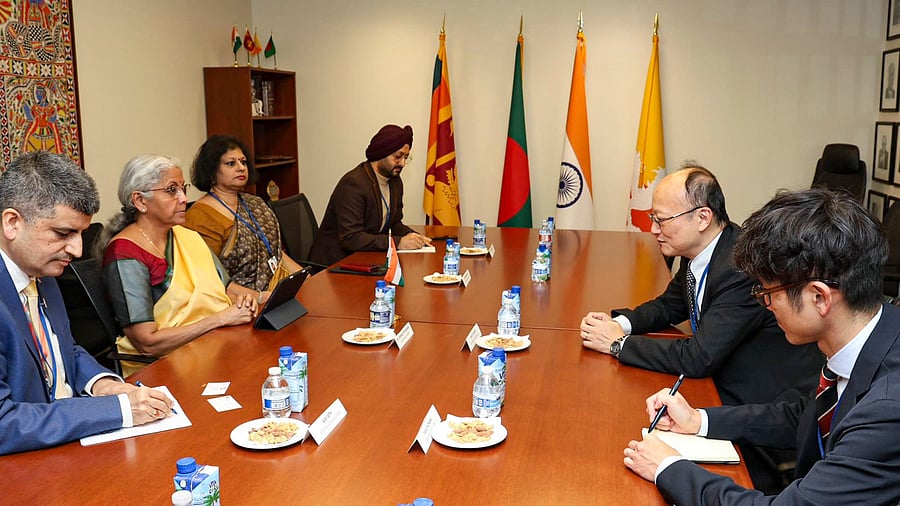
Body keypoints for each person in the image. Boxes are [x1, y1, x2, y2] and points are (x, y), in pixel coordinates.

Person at [624, 188, 900, 504]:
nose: (765, 304)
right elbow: (806, 415)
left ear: (819, 297)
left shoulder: (888, 408)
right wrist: (699, 420)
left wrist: (668, 467)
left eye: (768, 292)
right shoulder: (864, 335)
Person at [580, 164, 821, 406]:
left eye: (661, 220)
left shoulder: (740, 268)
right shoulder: (701, 250)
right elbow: (669, 306)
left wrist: (618, 343)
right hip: (721, 378)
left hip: (758, 400)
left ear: (703, 218)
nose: (653, 229)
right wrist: (618, 324)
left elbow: (699, 357)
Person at [0, 151, 173, 455]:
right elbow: (4, 424)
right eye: (64, 233)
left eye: (80, 233)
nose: (77, 250)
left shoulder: (42, 269)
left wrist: (104, 384)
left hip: (67, 444)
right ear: (12, 223)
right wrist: (118, 409)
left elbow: (63, 348)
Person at [101, 154, 258, 376]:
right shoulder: (125, 254)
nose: (184, 198)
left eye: (183, 188)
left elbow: (229, 290)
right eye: (171, 190)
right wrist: (220, 319)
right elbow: (148, 343)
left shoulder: (187, 237)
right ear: (140, 201)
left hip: (215, 345)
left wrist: (256, 299)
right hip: (163, 367)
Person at [184, 135, 302, 302]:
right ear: (211, 171)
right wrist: (259, 298)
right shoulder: (200, 217)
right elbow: (207, 279)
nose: (241, 168)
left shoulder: (254, 202)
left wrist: (306, 279)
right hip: (237, 304)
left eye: (243, 162)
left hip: (277, 295)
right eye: (231, 163)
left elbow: (276, 254)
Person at [309, 124, 431, 266]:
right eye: (398, 157)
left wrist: (415, 237)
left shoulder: (395, 182)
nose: (402, 163)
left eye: (406, 157)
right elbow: (351, 238)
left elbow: (394, 224)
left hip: (365, 258)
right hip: (336, 265)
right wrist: (398, 243)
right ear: (382, 153)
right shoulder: (354, 184)